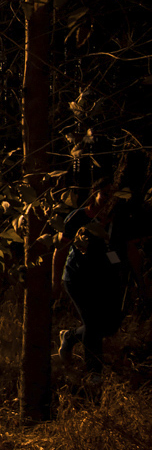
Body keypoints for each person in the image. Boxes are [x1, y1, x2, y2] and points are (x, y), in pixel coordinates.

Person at [52, 160, 149, 379]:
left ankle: (70, 337)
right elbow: (60, 250)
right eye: (104, 194)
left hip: (106, 280)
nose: (107, 200)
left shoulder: (120, 221)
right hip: (78, 279)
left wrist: (140, 282)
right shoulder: (77, 218)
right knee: (94, 327)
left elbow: (131, 250)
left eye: (112, 196)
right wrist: (55, 283)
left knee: (109, 326)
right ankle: (94, 374)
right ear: (95, 193)